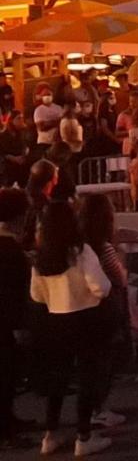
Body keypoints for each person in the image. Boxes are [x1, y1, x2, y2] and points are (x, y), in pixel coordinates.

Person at [30, 202, 114, 456]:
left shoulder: (41, 257)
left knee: (58, 377)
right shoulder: (81, 251)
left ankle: (51, 434)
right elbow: (100, 287)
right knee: (87, 377)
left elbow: (36, 295)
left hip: (56, 319)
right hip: (86, 318)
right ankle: (84, 436)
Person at [77, 194, 130, 434]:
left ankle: (93, 410)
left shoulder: (79, 245)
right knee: (104, 361)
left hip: (84, 308)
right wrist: (122, 257)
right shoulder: (104, 247)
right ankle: (98, 410)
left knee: (90, 363)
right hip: (106, 307)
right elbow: (119, 277)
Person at [0, 188, 31, 449]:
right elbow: (13, 291)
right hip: (6, 322)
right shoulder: (9, 249)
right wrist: (20, 324)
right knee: (6, 375)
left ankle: (10, 419)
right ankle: (5, 432)